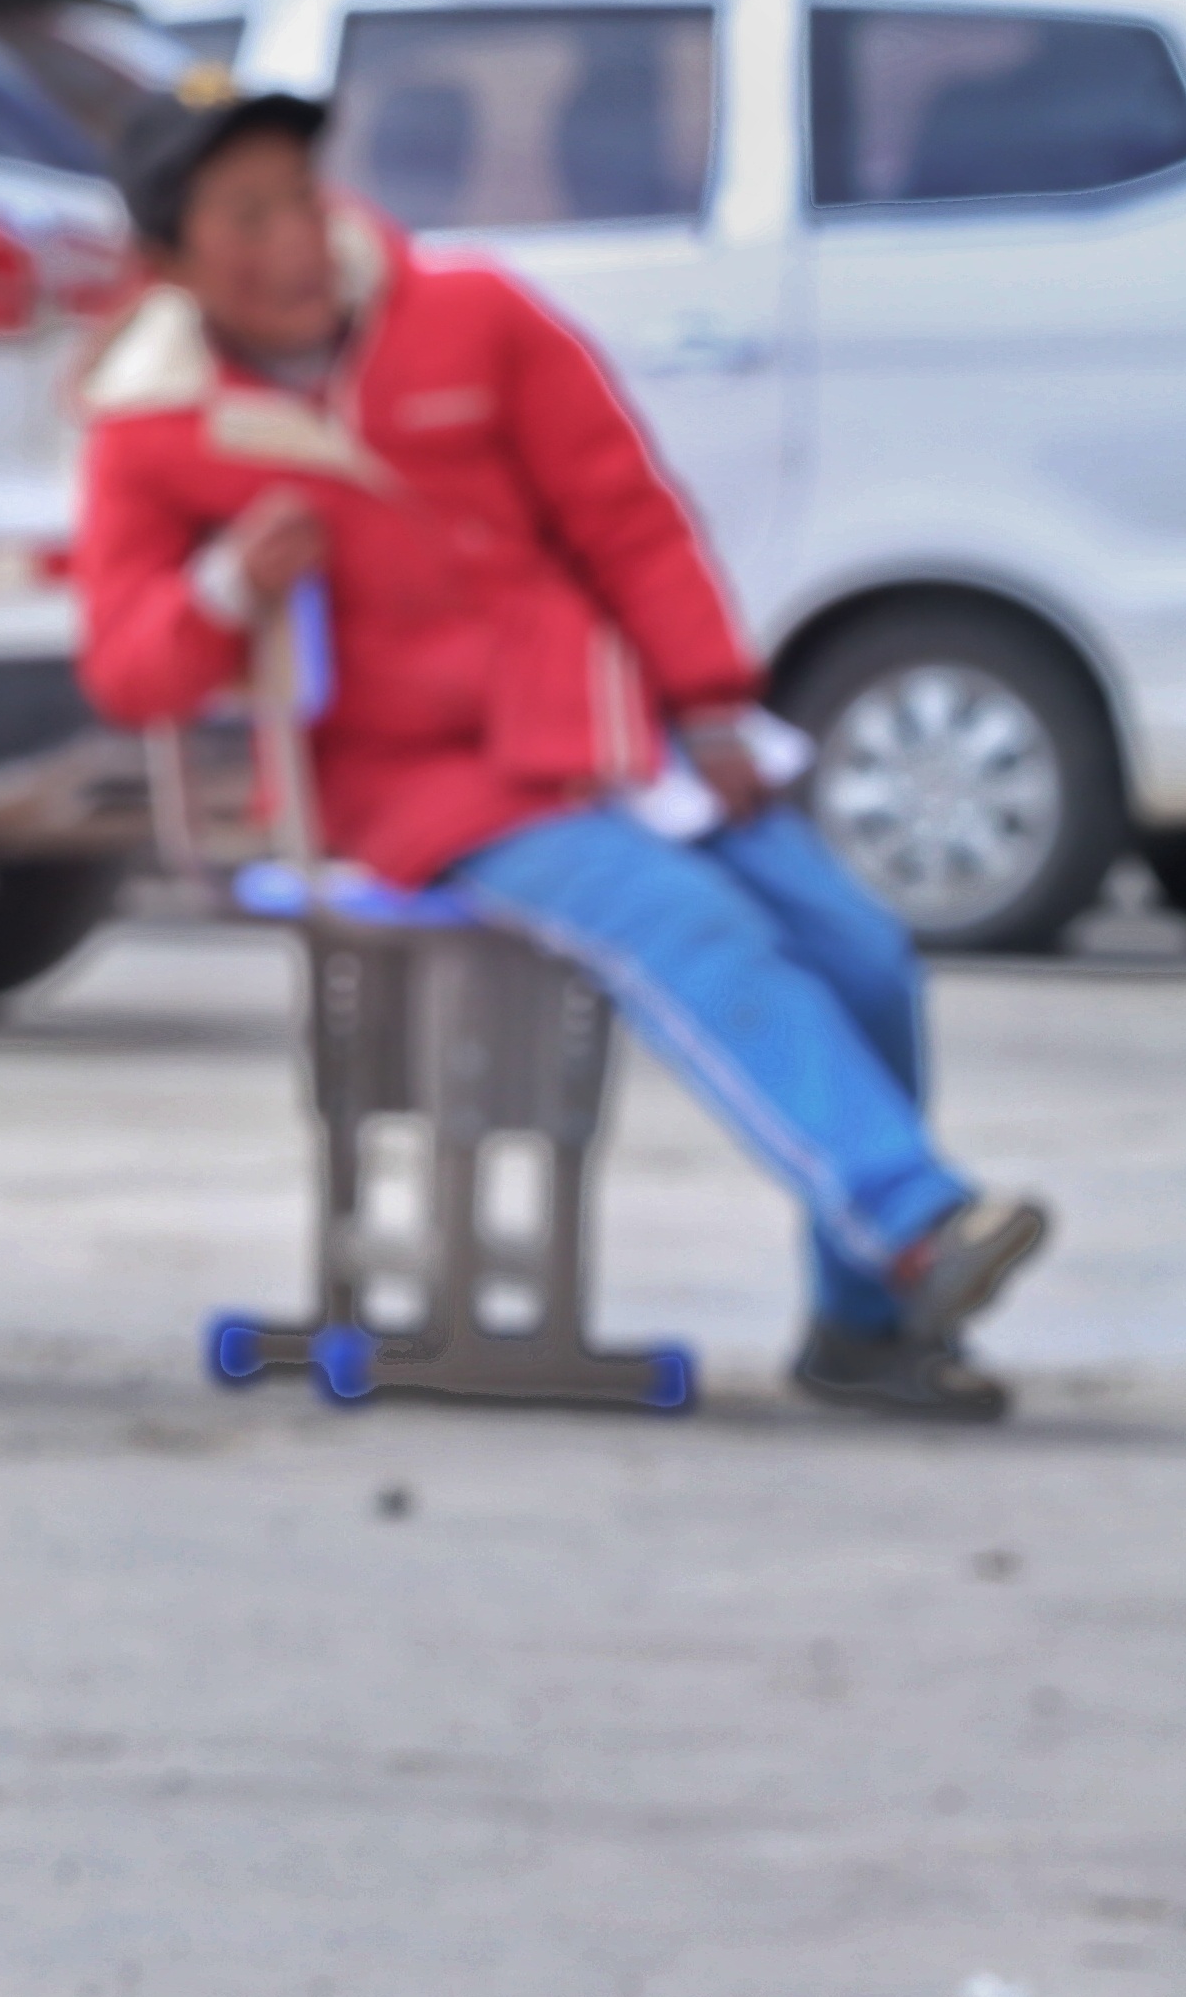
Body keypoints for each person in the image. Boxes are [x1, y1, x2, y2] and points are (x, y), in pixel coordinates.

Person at [74, 80, 1048, 1419]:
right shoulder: (149, 425)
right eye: (243, 217)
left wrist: (709, 701)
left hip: (605, 728)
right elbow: (126, 662)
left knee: (860, 947)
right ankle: (912, 1219)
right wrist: (225, 587)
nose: (290, 240)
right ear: (173, 263)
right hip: (423, 784)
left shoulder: (471, 315)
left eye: (296, 198)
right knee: (690, 928)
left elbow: (625, 519)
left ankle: (865, 1327)